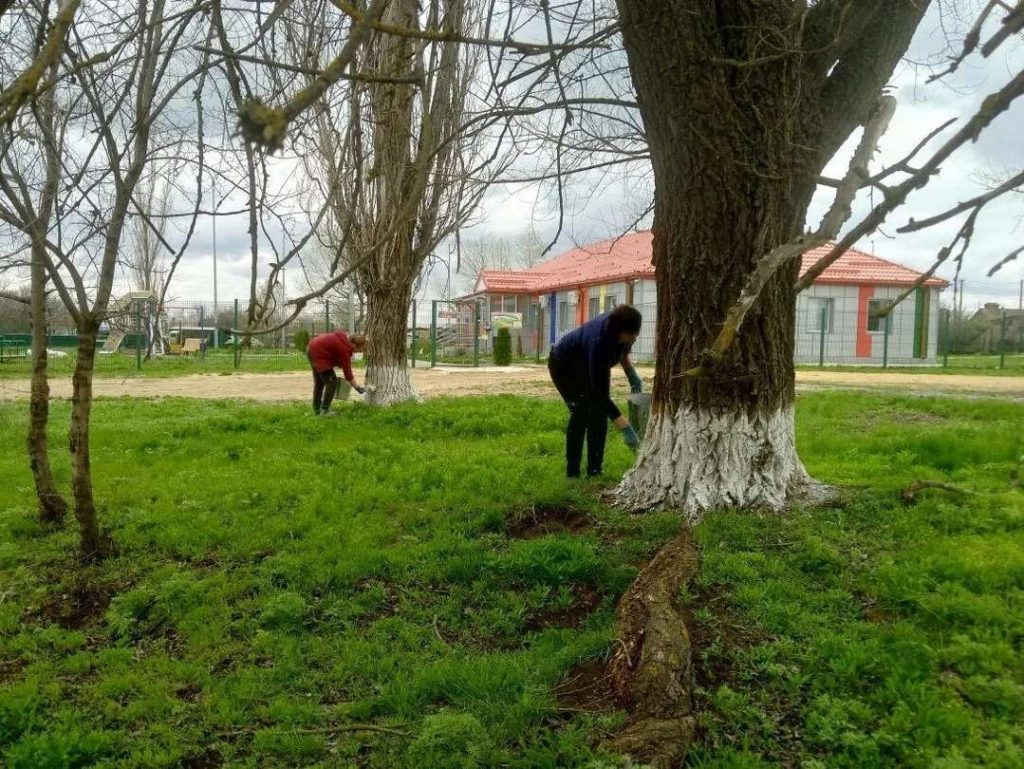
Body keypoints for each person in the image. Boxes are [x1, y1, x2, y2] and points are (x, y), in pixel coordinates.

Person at [547, 305, 644, 478]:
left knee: (599, 415)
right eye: (632, 334)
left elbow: (622, 351)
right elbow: (601, 395)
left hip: (588, 364)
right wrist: (626, 428)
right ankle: (573, 474)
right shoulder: (599, 343)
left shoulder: (622, 326)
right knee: (581, 413)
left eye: (636, 333)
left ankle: (594, 471)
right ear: (620, 332)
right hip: (565, 367)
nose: (635, 338)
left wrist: (632, 376)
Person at [306, 330, 367, 416]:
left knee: (319, 383)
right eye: (360, 349)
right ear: (354, 344)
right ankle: (325, 410)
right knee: (332, 382)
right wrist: (358, 388)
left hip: (311, 348)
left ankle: (317, 409)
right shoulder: (345, 349)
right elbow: (348, 374)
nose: (360, 351)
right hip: (318, 354)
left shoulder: (343, 340)